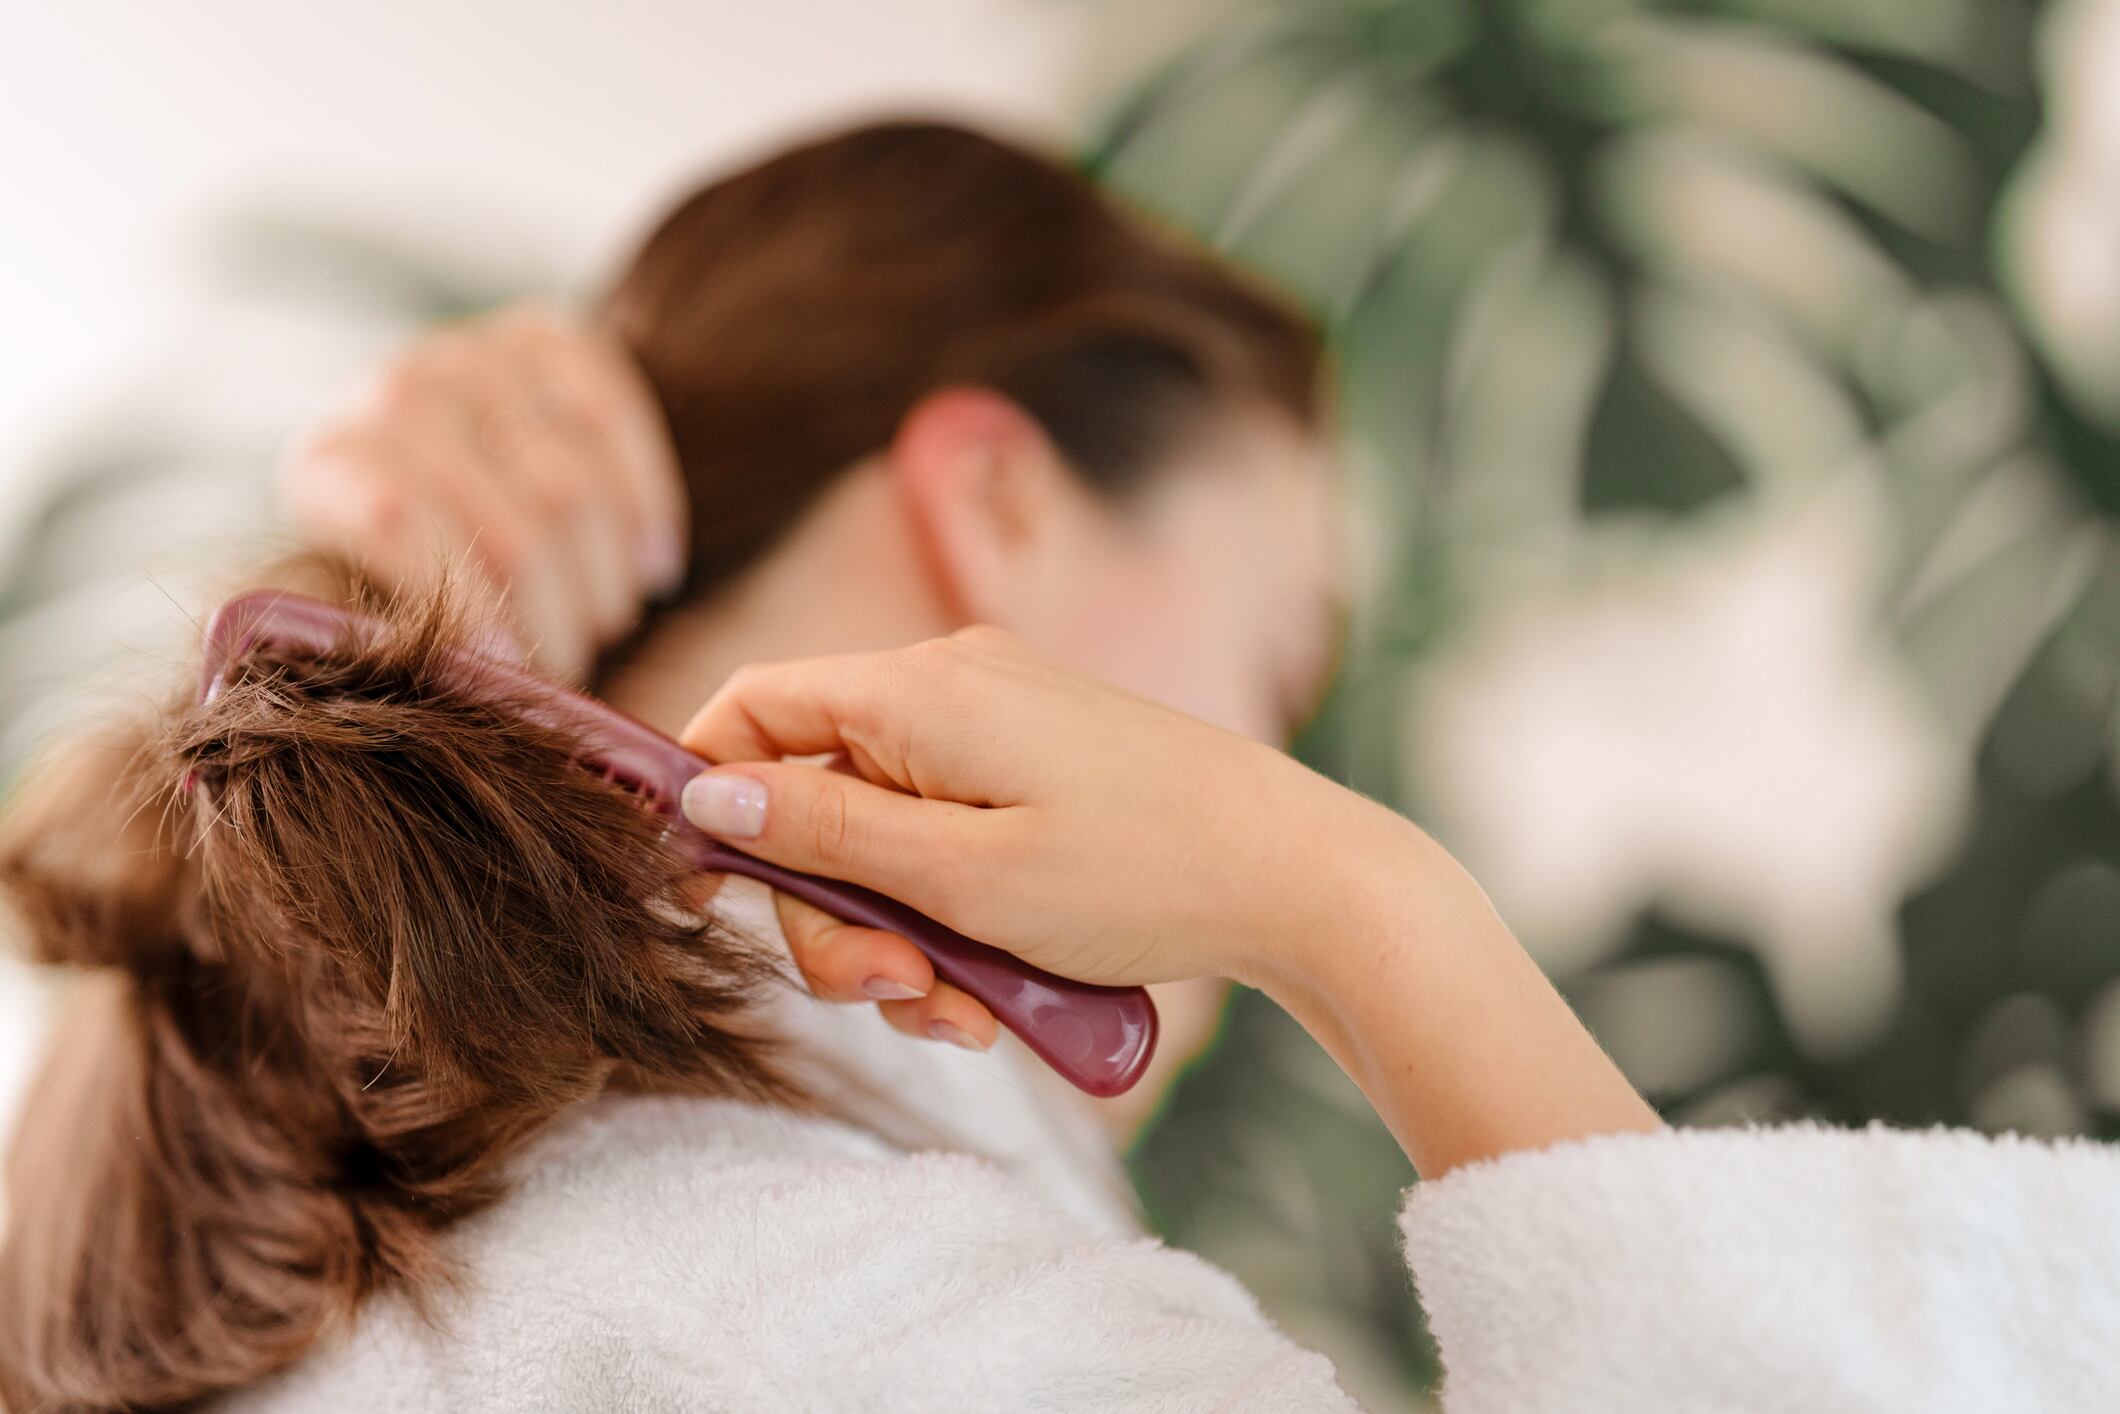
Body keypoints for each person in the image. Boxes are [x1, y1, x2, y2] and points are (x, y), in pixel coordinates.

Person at [5, 118, 2113, 1413]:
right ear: (995, 502)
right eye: (1277, 660)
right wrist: (1363, 906)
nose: (1270, 752)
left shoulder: (288, 1162)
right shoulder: (836, 1297)